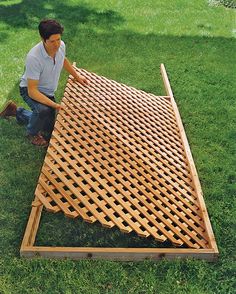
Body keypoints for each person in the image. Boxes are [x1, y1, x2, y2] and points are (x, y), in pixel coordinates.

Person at [0, 19, 88, 146]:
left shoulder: (61, 45)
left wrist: (77, 76)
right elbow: (32, 91)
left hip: (47, 91)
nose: (57, 44)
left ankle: (15, 111)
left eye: (58, 39)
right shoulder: (34, 58)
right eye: (52, 41)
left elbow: (63, 59)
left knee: (48, 127)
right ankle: (32, 133)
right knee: (43, 111)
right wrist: (54, 104)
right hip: (30, 90)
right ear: (43, 39)